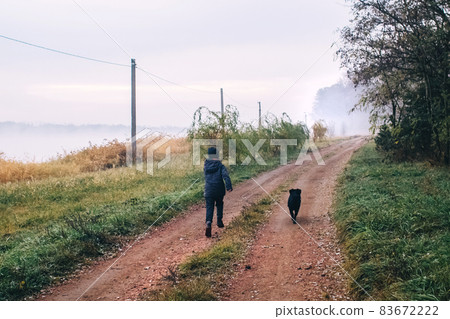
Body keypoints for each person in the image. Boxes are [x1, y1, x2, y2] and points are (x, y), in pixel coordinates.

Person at [203, 147, 232, 237]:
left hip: (208, 189)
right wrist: (229, 186)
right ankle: (219, 221)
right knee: (219, 204)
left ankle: (208, 222)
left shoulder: (206, 165)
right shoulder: (220, 165)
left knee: (209, 207)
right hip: (219, 189)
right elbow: (225, 176)